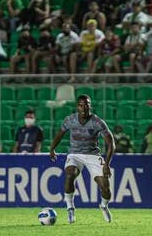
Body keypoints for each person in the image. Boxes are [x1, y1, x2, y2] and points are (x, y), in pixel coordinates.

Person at [49, 95, 115, 224]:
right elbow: (59, 134)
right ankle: (70, 207)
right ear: (77, 106)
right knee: (70, 174)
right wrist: (52, 149)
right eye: (81, 105)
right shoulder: (70, 120)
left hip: (93, 155)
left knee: (105, 186)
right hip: (74, 154)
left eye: (87, 104)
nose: (84, 107)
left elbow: (111, 144)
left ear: (90, 105)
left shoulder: (97, 122)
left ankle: (104, 205)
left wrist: (107, 164)